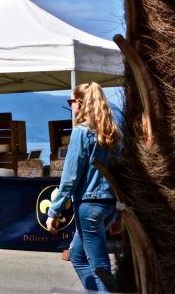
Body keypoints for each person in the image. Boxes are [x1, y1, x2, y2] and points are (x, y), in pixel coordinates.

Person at [46, 82, 120, 291]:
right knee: (78, 256)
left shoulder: (82, 132)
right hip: (109, 205)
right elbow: (121, 174)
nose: (71, 106)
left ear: (80, 103)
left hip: (88, 205)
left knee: (100, 267)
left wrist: (54, 211)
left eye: (71, 101)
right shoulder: (113, 135)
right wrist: (119, 213)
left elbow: (70, 178)